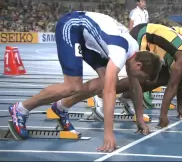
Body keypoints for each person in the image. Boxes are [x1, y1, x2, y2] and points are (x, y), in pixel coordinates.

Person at [8, 11, 162, 152]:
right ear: (138, 65)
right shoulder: (120, 53)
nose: (138, 80)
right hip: (72, 26)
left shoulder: (134, 51)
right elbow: (109, 92)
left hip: (88, 35)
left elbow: (134, 87)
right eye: (141, 77)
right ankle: (20, 109)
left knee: (108, 80)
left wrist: (140, 119)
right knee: (73, 86)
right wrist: (108, 135)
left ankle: (61, 107)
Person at [103, 23, 182, 128]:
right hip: (143, 34)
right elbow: (172, 87)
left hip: (155, 43)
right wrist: (163, 116)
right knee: (138, 77)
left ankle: (126, 96)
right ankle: (101, 92)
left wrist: (180, 107)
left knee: (159, 79)